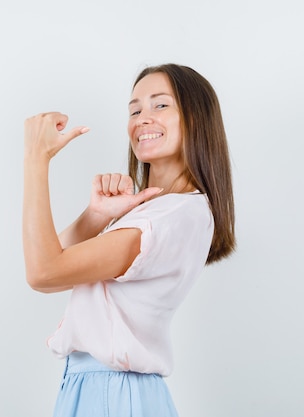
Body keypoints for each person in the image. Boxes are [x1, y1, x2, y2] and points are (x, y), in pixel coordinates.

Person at [22, 63, 235, 416]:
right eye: (135, 110)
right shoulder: (159, 212)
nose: (142, 119)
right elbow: (47, 273)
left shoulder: (175, 216)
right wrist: (97, 217)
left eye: (160, 105)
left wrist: (35, 159)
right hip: (96, 388)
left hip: (113, 393)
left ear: (196, 119)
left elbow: (42, 271)